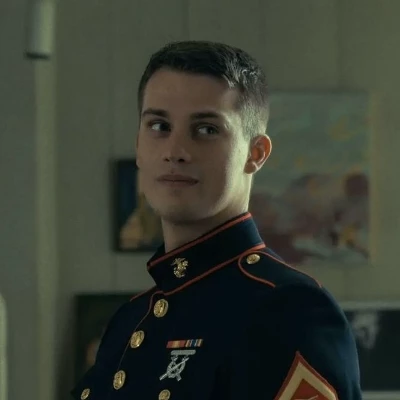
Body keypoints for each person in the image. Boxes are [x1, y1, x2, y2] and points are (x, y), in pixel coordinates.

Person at [71, 40, 362, 400]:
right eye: (159, 126)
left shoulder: (288, 310)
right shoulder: (129, 322)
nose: (175, 151)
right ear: (138, 146)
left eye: (206, 129)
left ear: (255, 154)